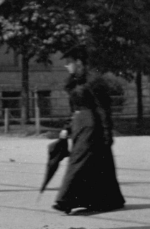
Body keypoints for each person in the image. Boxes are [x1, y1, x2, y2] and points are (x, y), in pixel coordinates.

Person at [52, 46, 125, 215]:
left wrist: (107, 131)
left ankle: (65, 200)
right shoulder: (73, 82)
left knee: (77, 160)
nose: (66, 66)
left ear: (78, 62)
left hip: (92, 126)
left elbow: (103, 108)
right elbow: (73, 110)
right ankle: (105, 200)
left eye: (69, 62)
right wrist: (67, 127)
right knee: (98, 163)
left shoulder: (94, 81)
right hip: (79, 126)